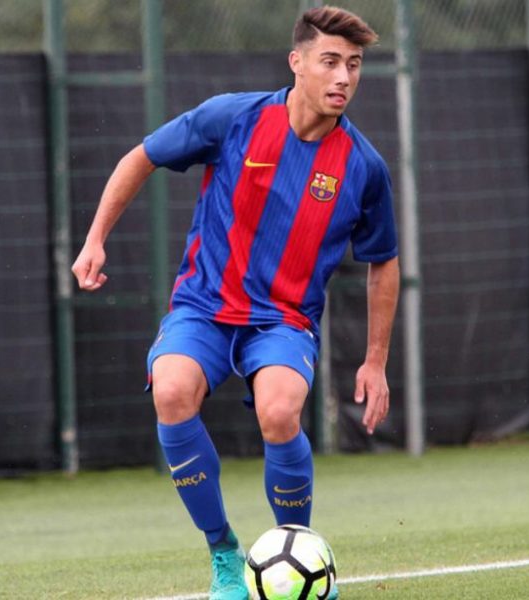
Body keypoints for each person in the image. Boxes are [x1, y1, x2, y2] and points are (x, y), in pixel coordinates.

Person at [71, 6, 399, 599]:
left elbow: (384, 262)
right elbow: (140, 157)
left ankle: (298, 552)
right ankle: (223, 553)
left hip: (283, 320)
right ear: (296, 62)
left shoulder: (363, 167)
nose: (343, 77)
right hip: (204, 306)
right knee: (171, 391)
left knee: (280, 410)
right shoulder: (233, 118)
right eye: (330, 62)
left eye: (353, 65)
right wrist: (95, 239)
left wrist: (375, 361)